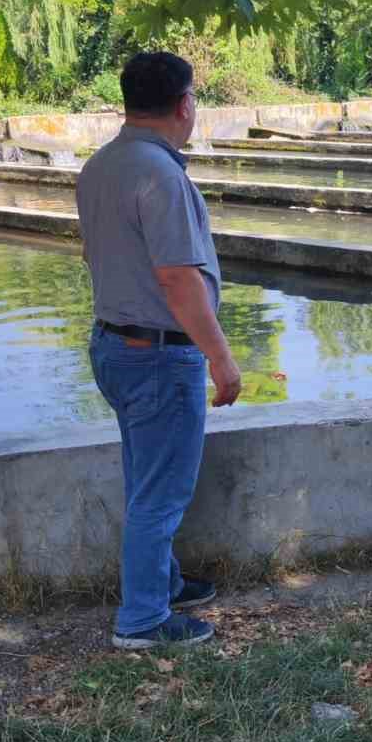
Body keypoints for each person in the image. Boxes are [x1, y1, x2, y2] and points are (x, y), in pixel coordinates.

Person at [77, 50, 243, 649]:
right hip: (156, 354)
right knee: (162, 491)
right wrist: (221, 359)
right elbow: (179, 280)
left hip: (114, 345)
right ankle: (143, 620)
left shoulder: (100, 165)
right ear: (184, 105)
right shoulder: (161, 175)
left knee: (145, 476)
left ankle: (164, 582)